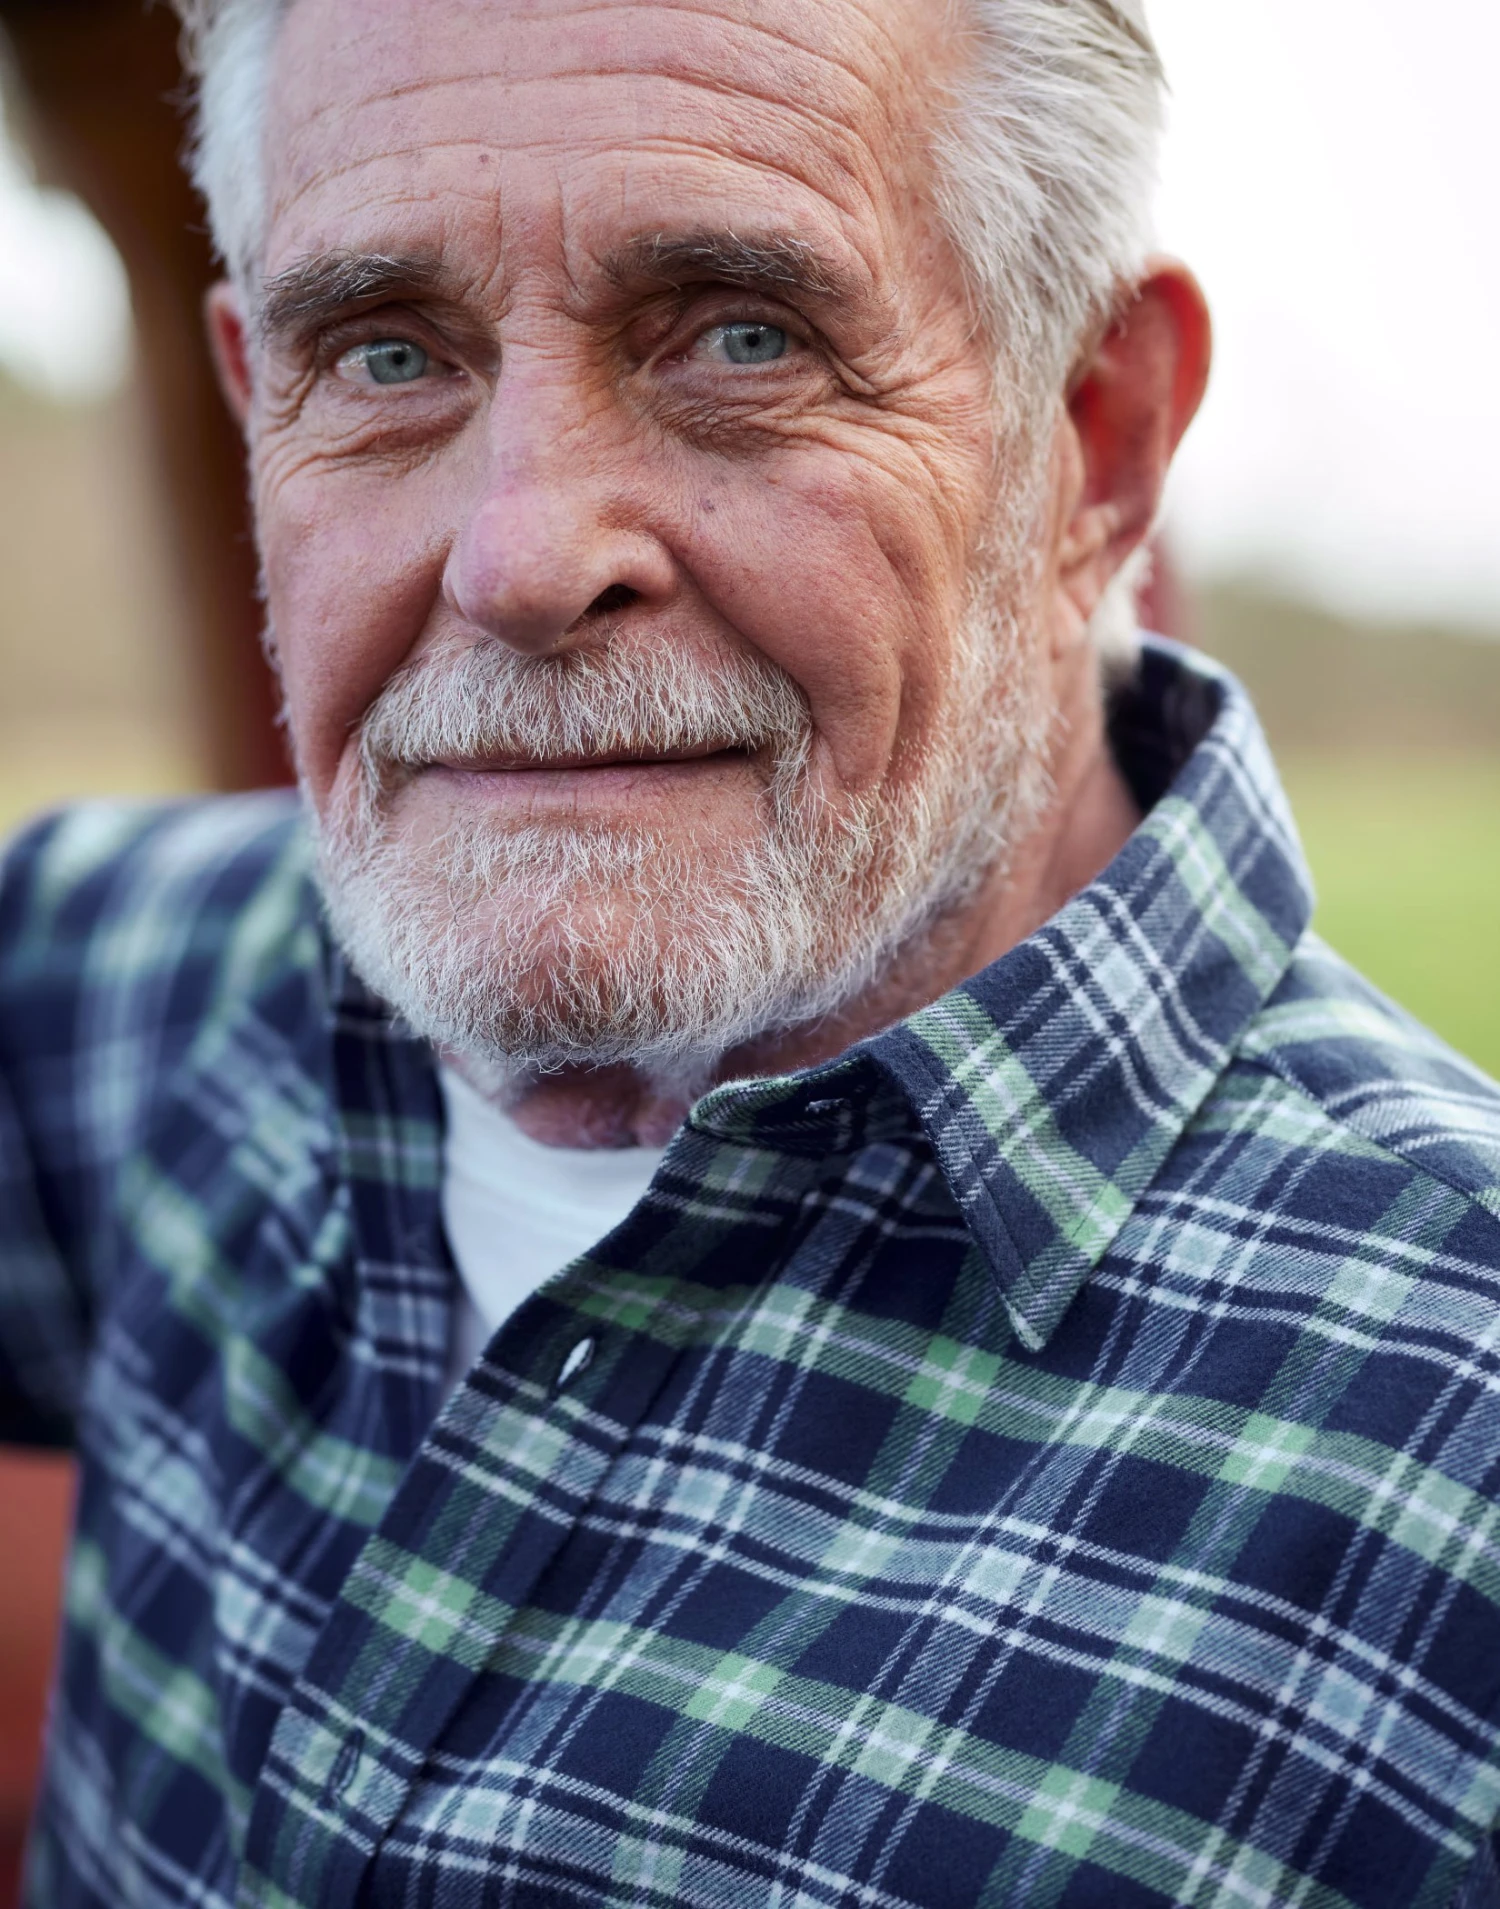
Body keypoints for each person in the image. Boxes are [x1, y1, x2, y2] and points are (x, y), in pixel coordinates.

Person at [2, 0, 1497, 1902]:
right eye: (386, 355)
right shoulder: (138, 987)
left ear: (1095, 434)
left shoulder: (1450, 1435)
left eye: (741, 335)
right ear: (252, 409)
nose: (524, 555)